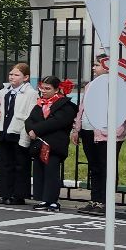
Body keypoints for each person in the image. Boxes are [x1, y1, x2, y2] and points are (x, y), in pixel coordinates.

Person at [75, 54, 126, 212]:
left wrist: (114, 128)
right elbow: (82, 107)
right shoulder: (90, 85)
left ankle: (106, 201)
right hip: (88, 130)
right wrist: (77, 128)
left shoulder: (118, 85)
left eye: (97, 65)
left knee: (107, 167)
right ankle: (95, 200)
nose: (93, 68)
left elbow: (125, 110)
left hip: (107, 134)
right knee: (94, 167)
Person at [25, 75, 76, 211]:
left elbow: (57, 122)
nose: (44, 91)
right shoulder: (40, 103)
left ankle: (52, 200)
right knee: (39, 171)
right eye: (42, 88)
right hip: (39, 144)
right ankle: (43, 199)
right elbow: (30, 119)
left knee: (51, 171)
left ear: (56, 89)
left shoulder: (65, 105)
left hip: (54, 144)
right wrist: (30, 129)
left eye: (48, 88)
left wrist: (36, 129)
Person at [0, 62, 37, 206]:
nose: (12, 77)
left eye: (17, 75)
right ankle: (5, 193)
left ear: (26, 77)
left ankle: (18, 195)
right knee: (5, 163)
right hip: (5, 130)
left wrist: (26, 135)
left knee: (20, 164)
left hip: (19, 131)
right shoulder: (4, 92)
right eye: (11, 74)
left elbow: (30, 115)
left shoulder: (31, 93)